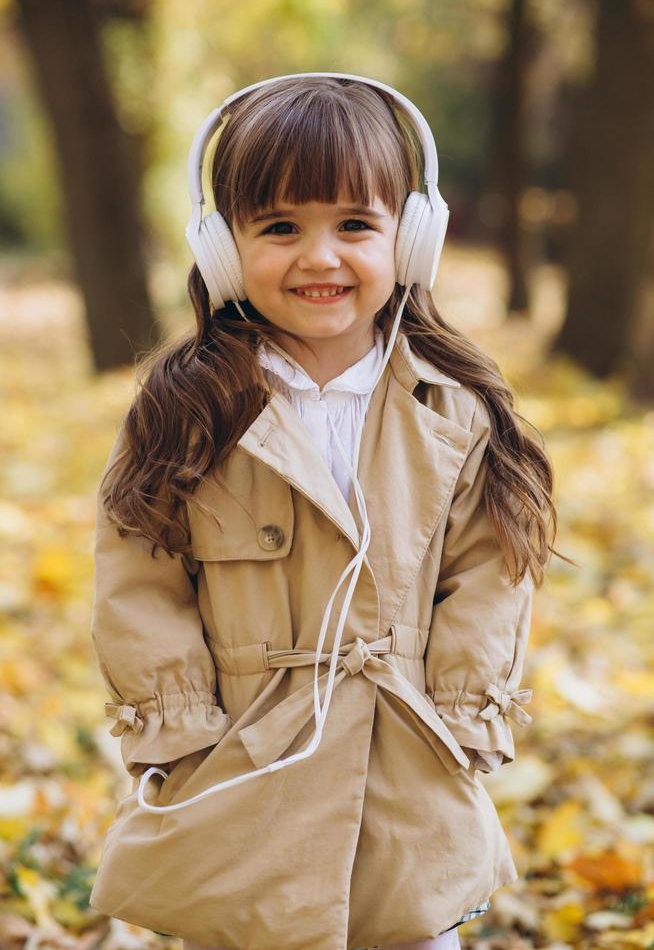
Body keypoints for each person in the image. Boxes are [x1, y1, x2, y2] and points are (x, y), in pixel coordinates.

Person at [88, 74, 568, 950]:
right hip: (244, 765)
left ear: (411, 239)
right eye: (280, 227)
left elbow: (491, 568)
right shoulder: (188, 409)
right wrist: (183, 735)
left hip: (404, 764)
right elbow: (138, 576)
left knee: (411, 927)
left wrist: (460, 721)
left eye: (355, 224)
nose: (320, 257)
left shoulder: (449, 411)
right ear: (224, 249)